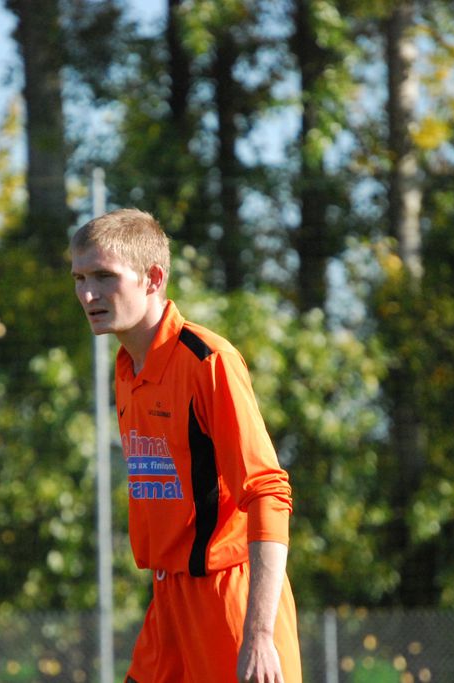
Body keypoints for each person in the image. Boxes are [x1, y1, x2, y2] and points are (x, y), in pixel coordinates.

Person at [70, 208, 302, 683]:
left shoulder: (208, 361)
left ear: (153, 278)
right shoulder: (125, 367)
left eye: (104, 277)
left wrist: (258, 634)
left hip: (228, 601)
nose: (87, 294)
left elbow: (269, 492)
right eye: (79, 278)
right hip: (168, 602)